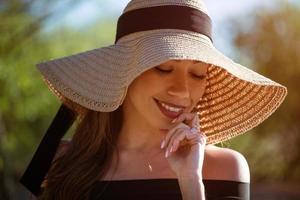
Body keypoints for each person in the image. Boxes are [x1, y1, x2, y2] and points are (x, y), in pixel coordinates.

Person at [20, 0, 287, 199]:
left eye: (197, 74)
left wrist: (191, 182)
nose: (182, 91)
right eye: (163, 68)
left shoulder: (223, 168)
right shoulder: (62, 161)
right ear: (124, 71)